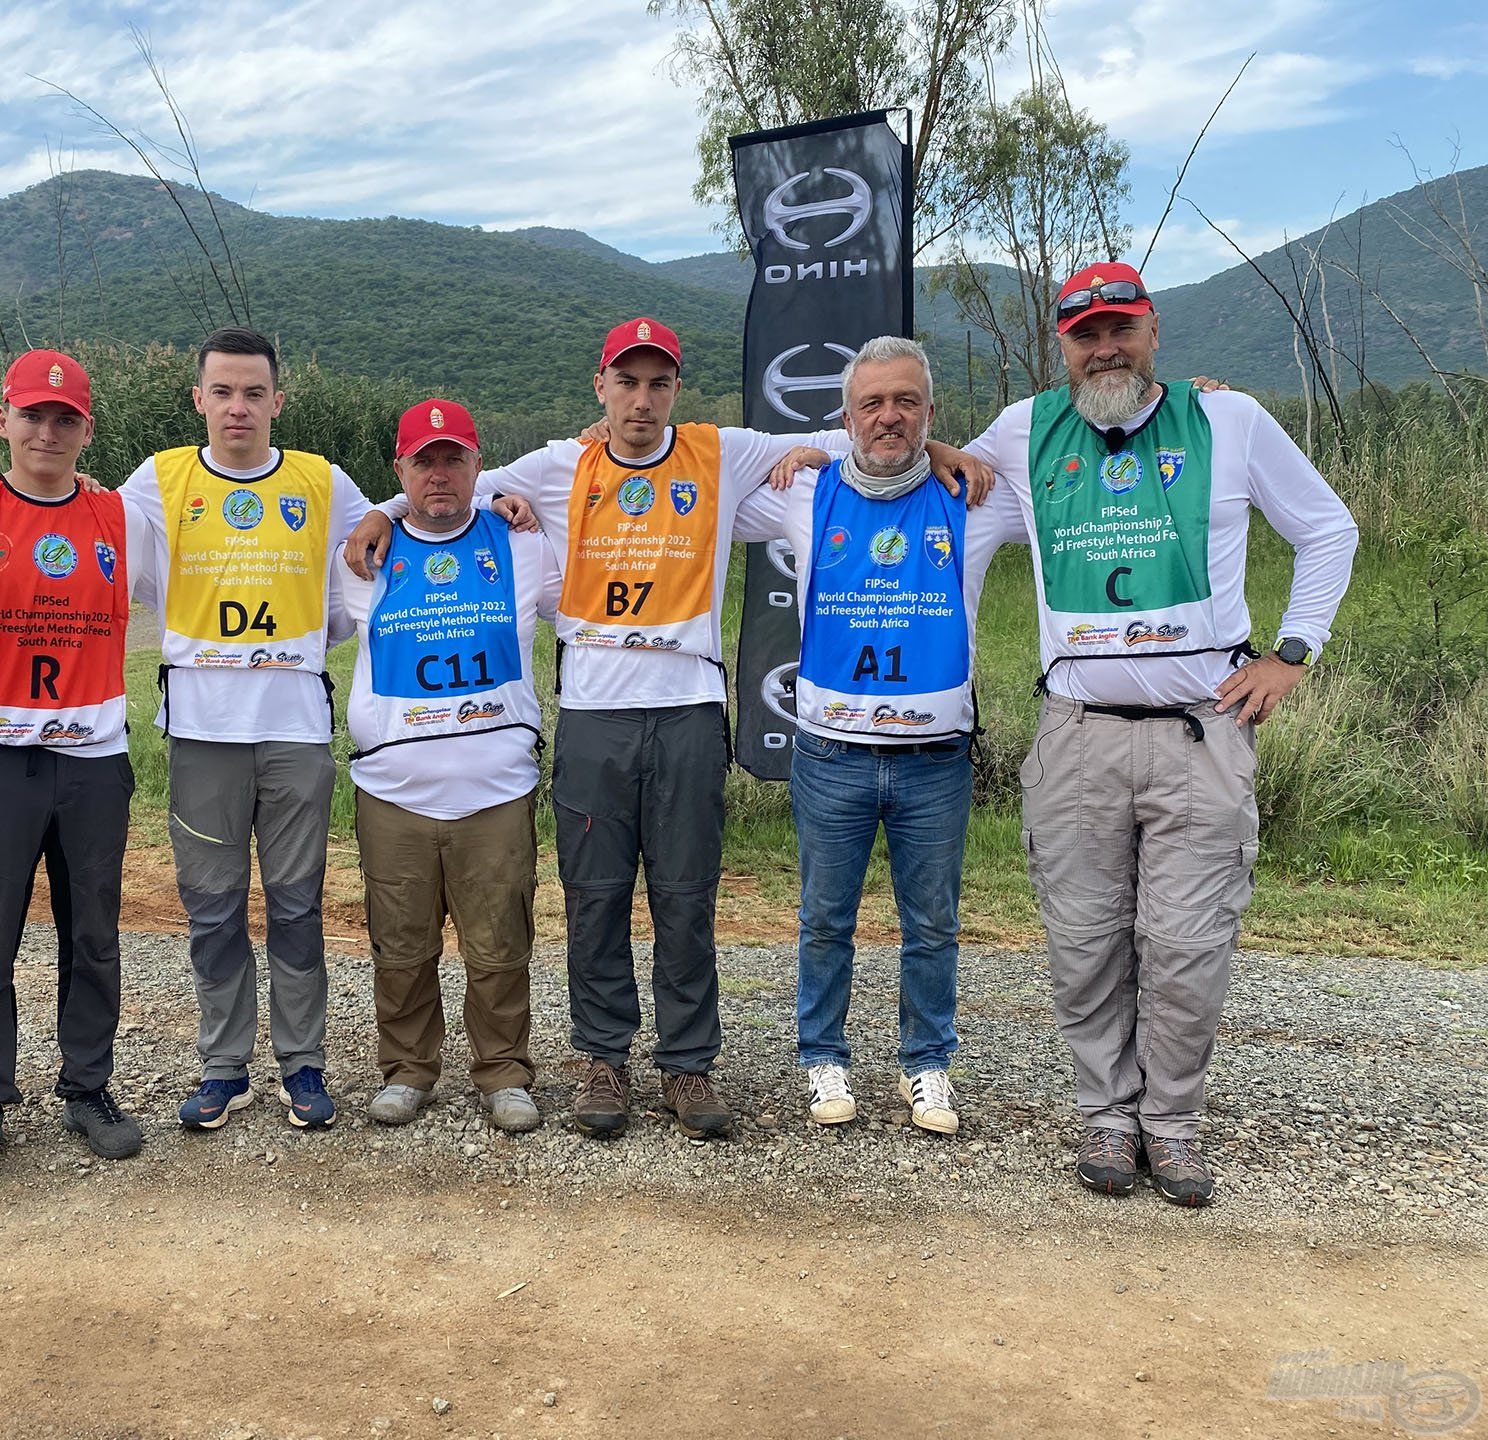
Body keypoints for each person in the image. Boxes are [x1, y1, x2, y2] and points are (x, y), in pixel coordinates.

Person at [347, 318, 981, 1140]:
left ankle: (688, 1065)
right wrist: (381, 512)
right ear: (600, 388)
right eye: (627, 382)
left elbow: (864, 432)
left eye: (658, 384)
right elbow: (449, 483)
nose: (641, 400)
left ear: (675, 389)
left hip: (686, 710)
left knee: (686, 898)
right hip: (593, 715)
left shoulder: (722, 451)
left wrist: (942, 452)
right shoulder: (556, 465)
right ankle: (603, 1061)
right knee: (595, 898)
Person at [961, 263, 1358, 1206]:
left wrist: (1293, 653)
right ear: (1061, 344)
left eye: (1121, 329)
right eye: (1085, 334)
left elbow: (1327, 529)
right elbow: (937, 466)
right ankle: (1107, 1116)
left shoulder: (1230, 421)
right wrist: (828, 452)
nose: (1105, 348)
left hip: (1200, 733)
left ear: (1151, 332)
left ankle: (1171, 1127)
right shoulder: (1023, 430)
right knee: (1086, 939)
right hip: (1078, 735)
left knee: (1185, 945)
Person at [0, 350, 164, 1187]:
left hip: (93, 762)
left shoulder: (124, 517)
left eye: (66, 419)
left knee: (93, 934)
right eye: (33, 415)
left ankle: (87, 1086)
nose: (48, 431)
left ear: (88, 429)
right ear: (3, 420)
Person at [125, 328, 371, 1131]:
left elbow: (388, 534)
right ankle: (223, 1066)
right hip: (201, 730)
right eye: (222, 392)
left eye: (253, 392)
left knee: (297, 905)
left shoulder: (322, 481)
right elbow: (74, 522)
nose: (238, 407)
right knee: (212, 907)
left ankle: (303, 1063)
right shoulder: (157, 479)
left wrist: (507, 494)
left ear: (277, 401)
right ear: (198, 398)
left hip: (295, 727)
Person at [741, 337, 985, 1135]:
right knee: (824, 917)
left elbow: (1071, 447)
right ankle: (824, 1056)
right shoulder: (801, 492)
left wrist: (1202, 397)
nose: (890, 417)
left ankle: (928, 1065)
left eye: (906, 403)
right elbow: (693, 471)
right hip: (831, 753)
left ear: (930, 414)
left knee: (934, 922)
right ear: (845, 417)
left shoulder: (974, 493)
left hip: (935, 760)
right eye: (872, 404)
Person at [329, 398, 561, 1133]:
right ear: (399, 471)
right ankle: (408, 1070)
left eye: (453, 459)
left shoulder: (521, 540)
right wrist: (382, 514)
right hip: (393, 791)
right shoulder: (364, 552)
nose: (439, 474)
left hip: (495, 790)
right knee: (400, 944)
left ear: (476, 464)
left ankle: (503, 1072)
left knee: (499, 942)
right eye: (422, 461)